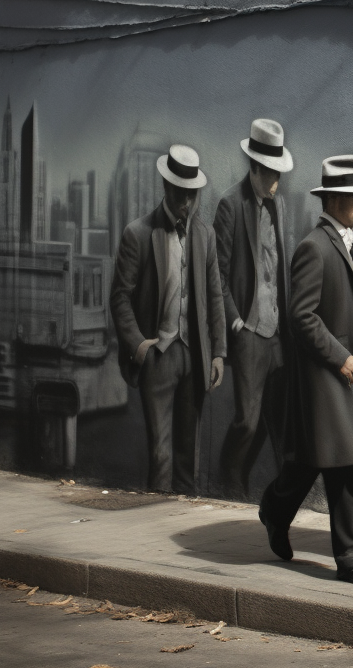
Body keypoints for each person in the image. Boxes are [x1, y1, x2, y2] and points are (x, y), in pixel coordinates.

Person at [258, 155, 353, 587]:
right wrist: (341, 356)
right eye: (352, 197)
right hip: (325, 378)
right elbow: (301, 317)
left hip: (344, 378)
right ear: (331, 198)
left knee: (314, 462)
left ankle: (274, 510)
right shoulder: (314, 247)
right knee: (345, 464)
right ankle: (351, 557)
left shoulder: (346, 241)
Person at [109, 144, 227, 495]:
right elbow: (119, 298)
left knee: (187, 456)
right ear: (166, 188)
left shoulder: (205, 235)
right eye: (180, 194)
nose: (186, 203)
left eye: (192, 195)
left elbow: (215, 296)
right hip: (158, 356)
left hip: (195, 356)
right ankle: (155, 528)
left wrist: (218, 351)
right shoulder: (139, 233)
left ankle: (181, 531)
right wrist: (139, 346)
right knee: (160, 455)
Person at [214, 118, 294, 500]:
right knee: (247, 420)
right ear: (254, 168)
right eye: (270, 174)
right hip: (247, 329)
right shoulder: (230, 205)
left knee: (271, 418)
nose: (276, 182)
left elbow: (278, 268)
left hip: (276, 332)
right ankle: (227, 475)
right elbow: (218, 273)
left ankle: (241, 478)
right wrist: (235, 321)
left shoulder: (278, 207)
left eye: (279, 173)